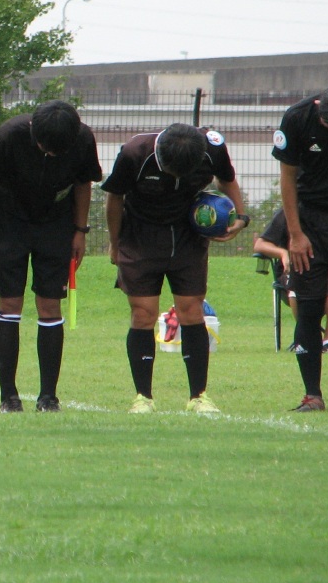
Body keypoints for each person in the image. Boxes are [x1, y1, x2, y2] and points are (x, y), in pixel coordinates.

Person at [102, 123, 249, 414]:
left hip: (187, 238)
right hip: (141, 238)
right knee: (143, 313)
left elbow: (227, 179)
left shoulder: (212, 148)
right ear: (160, 155)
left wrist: (241, 218)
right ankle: (143, 398)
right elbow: (114, 197)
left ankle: (199, 396)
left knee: (192, 310)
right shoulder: (135, 153)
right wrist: (115, 243)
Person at [0, 101, 103, 412]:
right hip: (10, 222)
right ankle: (8, 397)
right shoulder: (9, 135)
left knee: (49, 305)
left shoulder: (82, 139)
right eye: (45, 148)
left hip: (56, 224)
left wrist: (80, 231)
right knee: (9, 304)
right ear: (34, 131)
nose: (50, 155)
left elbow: (83, 184)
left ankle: (48, 397)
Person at [271, 79, 328, 412]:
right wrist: (295, 234)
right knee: (309, 305)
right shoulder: (296, 118)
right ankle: (312, 395)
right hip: (309, 224)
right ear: (319, 109)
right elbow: (287, 177)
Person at [251, 209, 328, 353]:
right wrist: (283, 253)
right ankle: (308, 334)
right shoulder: (287, 213)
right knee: (297, 275)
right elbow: (260, 245)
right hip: (293, 269)